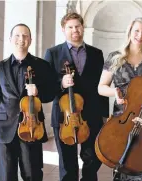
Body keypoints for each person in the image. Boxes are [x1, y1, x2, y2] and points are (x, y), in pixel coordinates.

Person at [98, 17, 142, 181]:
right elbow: (101, 87)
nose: (140, 35)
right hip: (121, 119)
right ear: (129, 32)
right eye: (136, 30)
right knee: (122, 163)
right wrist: (115, 93)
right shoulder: (115, 57)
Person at [44, 12, 109, 181]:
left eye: (78, 26)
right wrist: (61, 84)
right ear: (63, 30)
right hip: (64, 116)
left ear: (83, 28)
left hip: (92, 114)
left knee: (93, 159)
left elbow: (102, 86)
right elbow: (46, 87)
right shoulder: (53, 53)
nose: (75, 30)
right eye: (70, 27)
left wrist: (104, 115)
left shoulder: (97, 54)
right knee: (67, 163)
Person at [0, 23, 56, 181]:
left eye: (25, 36)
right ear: (10, 39)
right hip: (5, 127)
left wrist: (38, 92)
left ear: (30, 40)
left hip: (32, 127)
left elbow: (51, 92)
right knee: (6, 175)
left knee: (32, 174)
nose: (21, 39)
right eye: (17, 35)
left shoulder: (42, 65)